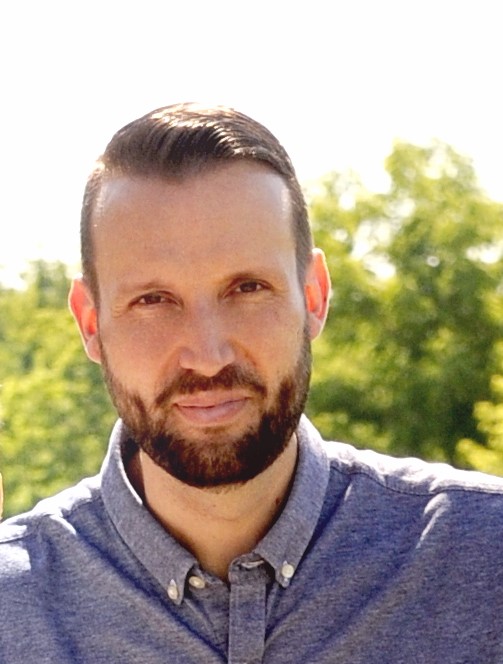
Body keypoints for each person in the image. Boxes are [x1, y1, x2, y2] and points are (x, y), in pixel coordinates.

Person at [1, 104, 503, 664]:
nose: (208, 356)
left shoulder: (486, 557)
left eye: (246, 288)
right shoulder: (11, 605)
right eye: (153, 300)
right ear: (91, 324)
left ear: (313, 297)